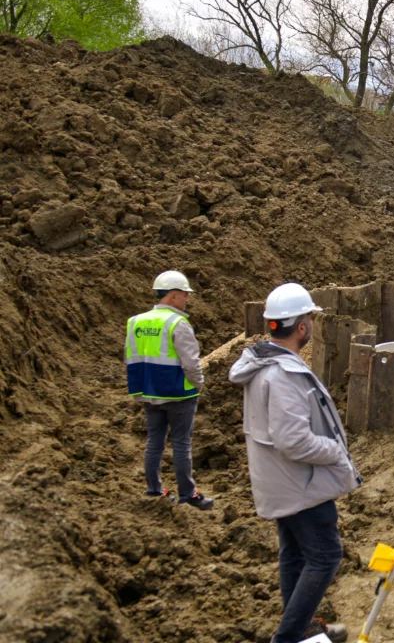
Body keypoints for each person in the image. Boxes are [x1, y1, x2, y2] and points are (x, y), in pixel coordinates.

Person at [230, 283, 360, 643]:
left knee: (294, 554)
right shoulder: (283, 374)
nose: (313, 326)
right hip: (301, 484)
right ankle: (289, 637)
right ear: (301, 327)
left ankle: (301, 629)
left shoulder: (265, 362)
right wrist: (335, 451)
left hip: (281, 480)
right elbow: (294, 441)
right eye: (310, 319)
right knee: (326, 556)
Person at [125, 270, 214, 510]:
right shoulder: (178, 323)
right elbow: (191, 363)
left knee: (154, 441)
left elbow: (131, 356)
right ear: (173, 296)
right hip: (178, 393)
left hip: (149, 391)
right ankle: (188, 494)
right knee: (181, 443)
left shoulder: (136, 322)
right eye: (185, 295)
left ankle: (155, 490)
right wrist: (200, 384)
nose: (187, 299)